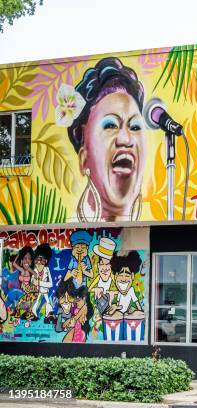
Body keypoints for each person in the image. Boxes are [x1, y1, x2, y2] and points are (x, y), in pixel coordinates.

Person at [61, 57, 146, 222]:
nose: (125, 139)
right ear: (84, 159)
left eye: (135, 127)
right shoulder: (75, 237)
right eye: (111, 125)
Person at [31, 244, 53, 321]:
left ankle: (48, 315)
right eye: (37, 260)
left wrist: (40, 283)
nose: (39, 262)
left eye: (42, 260)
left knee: (48, 302)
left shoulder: (47, 270)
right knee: (36, 301)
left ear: (46, 261)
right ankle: (33, 314)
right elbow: (32, 281)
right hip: (38, 291)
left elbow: (51, 284)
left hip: (45, 291)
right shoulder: (35, 271)